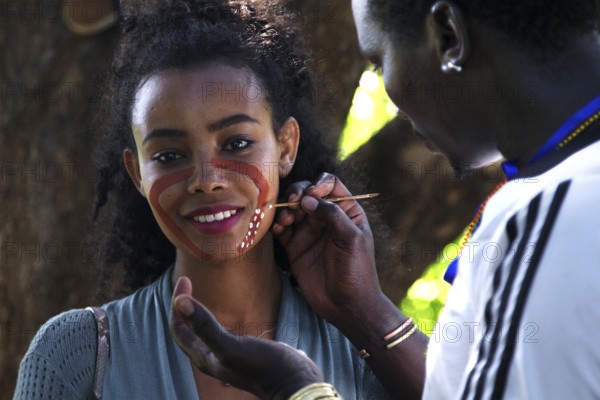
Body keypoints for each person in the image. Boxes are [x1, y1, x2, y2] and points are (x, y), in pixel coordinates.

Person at [170, 0, 600, 399]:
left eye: (378, 64)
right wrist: (363, 310)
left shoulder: (558, 215)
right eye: (170, 155)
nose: (208, 181)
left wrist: (298, 388)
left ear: (448, 37)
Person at [13, 1, 396, 399]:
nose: (206, 180)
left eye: (237, 144)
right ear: (137, 174)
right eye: (168, 156)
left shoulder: (362, 345)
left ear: (285, 148)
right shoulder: (75, 355)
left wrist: (368, 310)